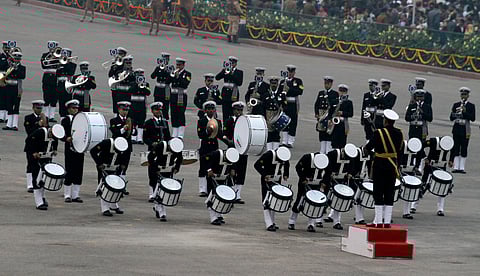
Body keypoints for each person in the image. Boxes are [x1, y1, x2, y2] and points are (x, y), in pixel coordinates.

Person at [365, 109, 404, 228]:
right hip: (392, 165)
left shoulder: (379, 133)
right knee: (389, 192)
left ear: (385, 121)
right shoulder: (399, 133)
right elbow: (400, 150)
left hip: (380, 165)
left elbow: (368, 147)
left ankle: (378, 222)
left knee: (378, 192)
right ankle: (386, 222)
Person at [24, 124, 64, 210]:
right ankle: (39, 202)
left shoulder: (54, 136)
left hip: (45, 157)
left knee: (44, 178)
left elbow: (55, 143)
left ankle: (42, 197)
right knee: (36, 178)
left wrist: (54, 150)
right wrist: (34, 152)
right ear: (50, 131)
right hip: (34, 156)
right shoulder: (40, 132)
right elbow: (28, 141)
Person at [321, 144, 358, 230]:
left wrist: (350, 174)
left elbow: (352, 167)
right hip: (330, 179)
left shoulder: (350, 157)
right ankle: (318, 219)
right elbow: (326, 168)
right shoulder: (332, 154)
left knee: (339, 201)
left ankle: (337, 221)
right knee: (324, 199)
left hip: (341, 180)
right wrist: (325, 181)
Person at [288, 152, 327, 232]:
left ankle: (311, 224)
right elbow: (298, 167)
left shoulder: (324, 160)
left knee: (315, 203)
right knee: (299, 201)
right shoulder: (307, 157)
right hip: (304, 182)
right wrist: (303, 178)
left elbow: (328, 171)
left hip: (316, 183)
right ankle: (292, 221)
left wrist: (324, 182)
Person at [254, 146, 290, 232]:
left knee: (275, 200)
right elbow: (257, 165)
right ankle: (268, 223)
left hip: (277, 179)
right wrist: (264, 174)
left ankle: (272, 222)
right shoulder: (268, 155)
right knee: (266, 201)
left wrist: (286, 174)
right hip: (267, 179)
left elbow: (287, 164)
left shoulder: (284, 156)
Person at [90, 137, 129, 216]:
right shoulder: (106, 143)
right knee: (105, 187)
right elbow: (93, 151)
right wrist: (99, 163)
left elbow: (125, 156)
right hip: (103, 167)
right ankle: (105, 208)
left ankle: (113, 205)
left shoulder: (123, 146)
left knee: (115, 187)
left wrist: (123, 164)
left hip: (115, 168)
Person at [149, 138, 183, 221]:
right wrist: (155, 169)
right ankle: (161, 211)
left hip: (168, 171)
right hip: (156, 169)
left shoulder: (177, 148)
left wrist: (177, 168)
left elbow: (180, 158)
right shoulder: (160, 146)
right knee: (157, 190)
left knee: (164, 190)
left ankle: (159, 209)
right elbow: (150, 157)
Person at [203, 148, 239, 225]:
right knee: (211, 197)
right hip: (213, 177)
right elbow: (204, 158)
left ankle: (219, 215)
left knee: (222, 198)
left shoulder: (232, 157)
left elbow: (234, 164)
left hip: (224, 178)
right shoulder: (216, 154)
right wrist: (209, 169)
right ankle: (213, 217)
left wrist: (233, 169)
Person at [143, 102, 171, 201]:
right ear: (152, 111)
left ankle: (161, 192)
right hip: (154, 151)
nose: (158, 112)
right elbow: (145, 138)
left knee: (164, 171)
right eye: (156, 110)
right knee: (152, 172)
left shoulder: (165, 122)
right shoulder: (148, 123)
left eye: (160, 110)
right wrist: (152, 144)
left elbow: (168, 136)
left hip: (164, 151)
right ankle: (152, 193)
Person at [197, 101, 224, 196]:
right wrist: (207, 132)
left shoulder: (218, 121)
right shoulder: (202, 121)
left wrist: (228, 141)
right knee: (203, 167)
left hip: (214, 146)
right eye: (208, 109)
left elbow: (220, 135)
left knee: (213, 167)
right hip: (205, 145)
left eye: (212, 109)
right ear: (205, 110)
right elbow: (200, 135)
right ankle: (202, 189)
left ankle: (211, 187)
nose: (210, 111)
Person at [59, 100, 84, 202]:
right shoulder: (66, 120)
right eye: (73, 108)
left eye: (76, 108)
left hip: (80, 148)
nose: (75, 110)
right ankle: (67, 195)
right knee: (70, 170)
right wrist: (66, 139)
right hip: (70, 148)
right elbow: (61, 134)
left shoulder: (82, 119)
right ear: (69, 109)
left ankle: (75, 195)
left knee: (78, 171)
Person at [223, 101, 248, 204]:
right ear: (233, 110)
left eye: (241, 110)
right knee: (231, 172)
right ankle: (230, 193)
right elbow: (224, 135)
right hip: (232, 150)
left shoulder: (245, 121)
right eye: (237, 110)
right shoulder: (229, 121)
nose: (239, 112)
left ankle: (238, 194)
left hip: (243, 150)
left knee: (241, 172)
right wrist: (230, 142)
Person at [405, 89, 433, 173]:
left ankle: (418, 166)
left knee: (420, 148)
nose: (419, 98)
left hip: (422, 129)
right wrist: (413, 116)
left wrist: (422, 113)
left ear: (424, 97)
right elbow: (407, 118)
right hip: (413, 129)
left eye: (421, 96)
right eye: (418, 96)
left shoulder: (427, 107)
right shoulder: (412, 106)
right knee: (412, 146)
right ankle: (412, 165)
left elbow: (430, 118)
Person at [450, 87, 475, 174]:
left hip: (465, 129)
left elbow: (472, 118)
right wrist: (456, 114)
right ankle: (456, 166)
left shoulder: (471, 106)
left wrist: (464, 112)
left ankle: (462, 167)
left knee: (464, 147)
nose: (463, 96)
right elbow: (451, 117)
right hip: (457, 128)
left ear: (468, 95)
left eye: (465, 94)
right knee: (456, 147)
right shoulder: (456, 104)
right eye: (462, 94)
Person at [109, 101, 134, 194]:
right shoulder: (114, 121)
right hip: (118, 146)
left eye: (127, 110)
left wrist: (132, 130)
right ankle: (115, 185)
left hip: (127, 146)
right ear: (119, 109)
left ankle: (122, 186)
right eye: (123, 109)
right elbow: (115, 132)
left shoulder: (130, 120)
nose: (125, 112)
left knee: (124, 166)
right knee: (116, 165)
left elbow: (132, 133)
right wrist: (124, 129)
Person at [24, 100, 47, 193]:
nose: (39, 110)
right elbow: (29, 131)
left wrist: (44, 122)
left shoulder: (45, 118)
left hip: (41, 146)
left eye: (40, 108)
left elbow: (46, 131)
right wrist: (37, 124)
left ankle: (37, 182)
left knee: (40, 166)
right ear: (33, 108)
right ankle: (30, 184)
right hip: (31, 145)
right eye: (37, 108)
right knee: (31, 164)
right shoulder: (28, 118)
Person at [280, 65, 304, 148]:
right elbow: (280, 91)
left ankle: (290, 141)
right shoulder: (283, 81)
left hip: (293, 104)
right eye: (289, 72)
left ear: (294, 73)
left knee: (293, 122)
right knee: (284, 121)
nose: (290, 74)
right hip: (285, 104)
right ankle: (284, 140)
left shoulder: (298, 81)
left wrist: (289, 90)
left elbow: (300, 91)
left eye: (292, 72)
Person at [2, 51, 25, 131]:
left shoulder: (22, 68)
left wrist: (16, 69)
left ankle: (14, 124)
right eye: (15, 58)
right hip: (8, 87)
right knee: (8, 105)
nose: (16, 60)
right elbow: (5, 74)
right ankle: (9, 124)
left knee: (16, 106)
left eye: (18, 59)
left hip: (16, 88)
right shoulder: (8, 66)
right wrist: (11, 66)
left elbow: (22, 76)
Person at [216, 56, 243, 122]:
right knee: (225, 113)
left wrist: (231, 74)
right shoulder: (225, 70)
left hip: (233, 94)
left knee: (233, 112)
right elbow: (217, 78)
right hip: (225, 94)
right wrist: (223, 71)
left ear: (236, 64)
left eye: (233, 63)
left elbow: (239, 83)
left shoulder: (239, 72)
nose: (232, 64)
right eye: (231, 63)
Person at [314, 76, 338, 154]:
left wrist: (332, 116)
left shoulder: (334, 94)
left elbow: (335, 105)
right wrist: (317, 113)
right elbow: (317, 104)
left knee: (328, 132)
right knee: (321, 132)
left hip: (329, 114)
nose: (326, 85)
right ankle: (322, 148)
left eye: (328, 84)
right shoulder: (321, 93)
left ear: (331, 84)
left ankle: (328, 149)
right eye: (325, 83)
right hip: (321, 114)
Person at [169, 57, 191, 139]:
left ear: (183, 65)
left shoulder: (187, 74)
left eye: (180, 65)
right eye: (177, 64)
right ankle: (174, 132)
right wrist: (171, 75)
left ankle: (180, 133)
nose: (178, 66)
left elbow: (185, 84)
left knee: (181, 113)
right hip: (174, 95)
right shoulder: (173, 72)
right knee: (173, 113)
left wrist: (178, 77)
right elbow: (168, 82)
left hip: (182, 95)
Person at [264, 76, 287, 150]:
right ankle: (269, 150)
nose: (274, 85)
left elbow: (285, 105)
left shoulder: (281, 95)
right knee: (269, 133)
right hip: (268, 115)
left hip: (277, 115)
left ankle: (275, 150)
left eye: (275, 83)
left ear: (277, 84)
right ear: (270, 84)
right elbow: (262, 107)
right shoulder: (266, 95)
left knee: (276, 133)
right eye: (272, 83)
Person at [129, 68, 151, 144]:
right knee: (133, 121)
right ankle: (133, 137)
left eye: (141, 74)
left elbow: (148, 92)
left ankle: (139, 138)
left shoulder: (146, 84)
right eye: (138, 74)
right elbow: (130, 91)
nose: (139, 76)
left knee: (141, 121)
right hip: (133, 105)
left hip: (142, 105)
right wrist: (136, 85)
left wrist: (143, 86)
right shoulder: (132, 83)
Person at [41, 41, 60, 123]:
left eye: (53, 48)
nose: (52, 49)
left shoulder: (59, 56)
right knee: (46, 97)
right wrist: (49, 58)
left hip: (55, 77)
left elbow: (60, 66)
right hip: (47, 77)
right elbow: (43, 65)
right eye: (51, 48)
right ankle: (46, 115)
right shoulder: (45, 55)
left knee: (54, 98)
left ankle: (51, 116)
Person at [329, 84, 353, 149]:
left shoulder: (348, 102)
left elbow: (351, 114)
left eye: (344, 91)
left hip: (343, 124)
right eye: (341, 91)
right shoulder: (334, 101)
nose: (342, 93)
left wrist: (342, 113)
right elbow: (330, 112)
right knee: (334, 141)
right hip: (335, 124)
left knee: (342, 142)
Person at [56, 48, 77, 121]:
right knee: (61, 103)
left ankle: (68, 119)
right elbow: (57, 73)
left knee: (68, 103)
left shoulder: (72, 64)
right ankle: (62, 119)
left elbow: (70, 72)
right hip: (60, 85)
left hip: (68, 86)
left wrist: (66, 62)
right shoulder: (59, 64)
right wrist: (61, 64)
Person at [151, 52, 172, 119]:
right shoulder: (158, 68)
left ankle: (165, 119)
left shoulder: (170, 69)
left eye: (166, 60)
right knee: (157, 104)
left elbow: (171, 80)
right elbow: (152, 76)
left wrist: (167, 71)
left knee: (165, 106)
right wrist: (158, 69)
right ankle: (156, 118)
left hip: (166, 89)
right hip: (158, 89)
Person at [108, 47, 128, 115]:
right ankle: (116, 116)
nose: (119, 55)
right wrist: (114, 67)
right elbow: (110, 74)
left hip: (123, 88)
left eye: (121, 54)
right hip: (115, 87)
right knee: (115, 103)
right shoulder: (115, 63)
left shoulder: (126, 64)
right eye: (118, 54)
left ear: (124, 55)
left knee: (124, 105)